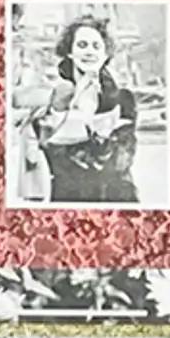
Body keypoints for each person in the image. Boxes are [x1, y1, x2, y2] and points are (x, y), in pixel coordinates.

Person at [22, 12, 143, 205]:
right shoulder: (51, 100)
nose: (89, 52)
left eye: (96, 46)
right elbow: (50, 154)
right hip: (68, 199)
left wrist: (91, 136)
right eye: (82, 45)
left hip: (117, 200)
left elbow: (122, 162)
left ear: (105, 55)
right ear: (69, 51)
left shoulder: (123, 100)